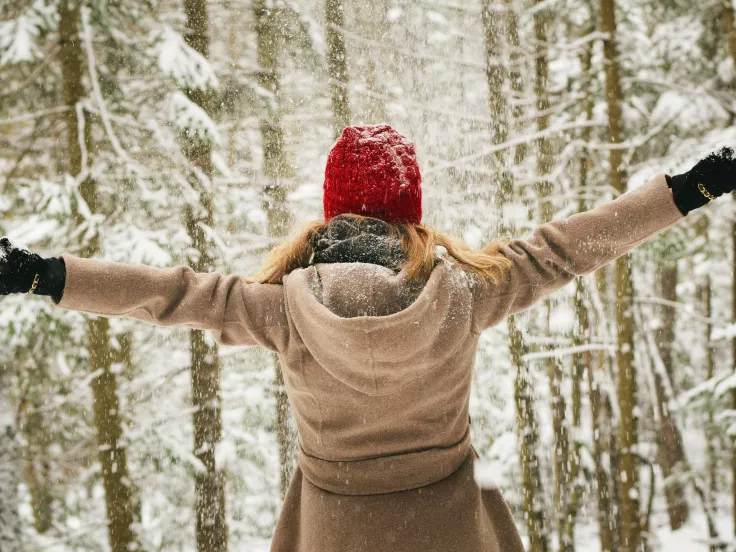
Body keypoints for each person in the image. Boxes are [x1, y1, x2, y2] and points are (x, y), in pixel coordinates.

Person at [1, 124, 734, 551]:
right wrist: (694, 186)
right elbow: (570, 247)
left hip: (333, 532)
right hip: (452, 533)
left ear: (329, 214)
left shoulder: (281, 308)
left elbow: (166, 295)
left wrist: (40, 274)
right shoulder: (467, 292)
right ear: (410, 211)